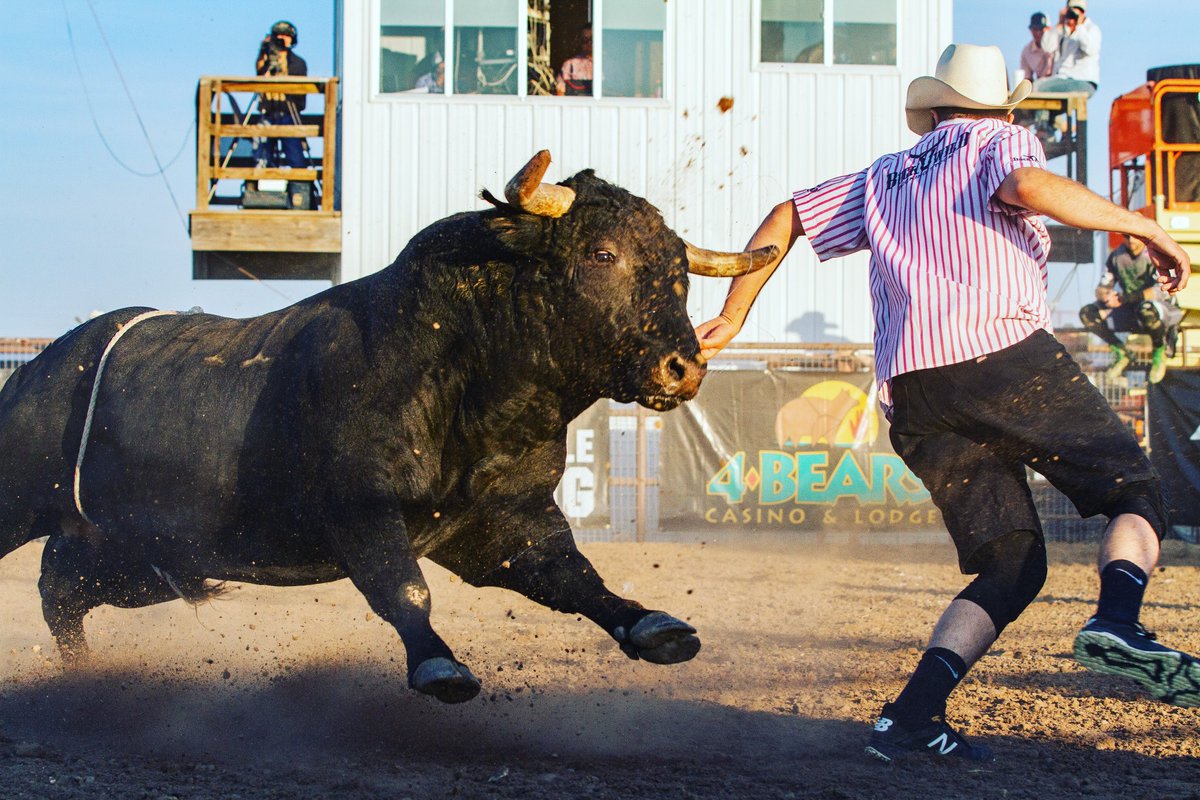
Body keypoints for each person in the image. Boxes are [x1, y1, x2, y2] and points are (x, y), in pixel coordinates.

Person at [695, 43, 1195, 762]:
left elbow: (788, 216)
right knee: (1137, 494)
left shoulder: (880, 176)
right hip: (1000, 356)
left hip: (917, 394)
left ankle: (910, 718)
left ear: (931, 111)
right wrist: (1143, 226)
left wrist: (736, 312)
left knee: (1012, 564)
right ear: (1001, 105)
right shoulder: (1000, 137)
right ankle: (1119, 618)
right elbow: (1027, 183)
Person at [1080, 235, 1184, 384]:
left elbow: (1161, 291)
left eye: (1136, 238)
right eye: (1128, 237)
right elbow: (1103, 285)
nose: (1132, 242)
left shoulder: (1154, 255)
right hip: (1131, 311)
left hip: (1163, 310)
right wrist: (1106, 295)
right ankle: (1121, 352)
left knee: (1146, 310)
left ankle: (1159, 353)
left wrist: (1126, 298)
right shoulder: (1116, 256)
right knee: (1087, 314)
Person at [254, 20, 308, 169]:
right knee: (263, 154)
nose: (282, 39)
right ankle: (261, 186)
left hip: (288, 112)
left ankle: (300, 188)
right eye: (278, 36)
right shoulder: (266, 60)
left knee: (294, 153)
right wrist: (264, 51)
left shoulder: (297, 62)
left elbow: (299, 95)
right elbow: (259, 75)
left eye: (286, 36)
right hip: (268, 111)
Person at [1034, 2, 1101, 96]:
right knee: (1037, 88)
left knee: (1038, 88)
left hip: (1082, 80)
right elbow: (1046, 47)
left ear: (1084, 13)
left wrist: (1079, 26)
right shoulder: (1063, 30)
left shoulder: (1091, 29)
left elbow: (1090, 49)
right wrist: (1059, 23)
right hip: (1061, 79)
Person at [555, 24, 593, 96]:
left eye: (592, 40)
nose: (589, 43)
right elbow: (560, 92)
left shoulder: (607, 64)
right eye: (585, 40)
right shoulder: (570, 65)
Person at [1020, 12, 1058, 81]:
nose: (1038, 33)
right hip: (1041, 84)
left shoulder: (1057, 43)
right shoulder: (1027, 51)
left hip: (1058, 80)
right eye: (1035, 29)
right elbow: (1027, 78)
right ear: (1030, 30)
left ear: (1048, 29)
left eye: (1041, 29)